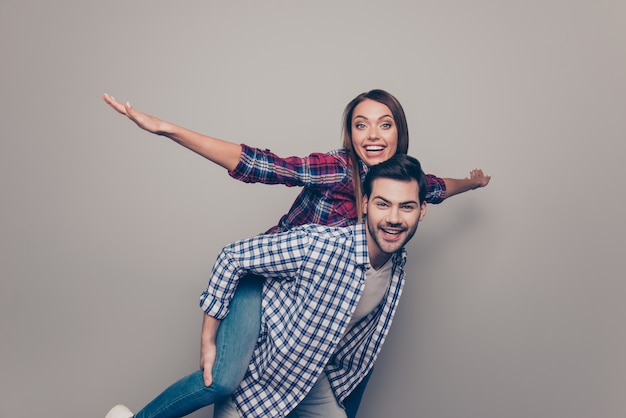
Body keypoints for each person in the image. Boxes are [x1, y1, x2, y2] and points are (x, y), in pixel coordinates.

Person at [102, 89, 491, 418]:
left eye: (384, 124)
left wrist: (471, 184)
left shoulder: (404, 185)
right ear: (350, 134)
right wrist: (167, 130)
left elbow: (438, 187)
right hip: (266, 276)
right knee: (223, 379)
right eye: (361, 125)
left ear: (398, 132)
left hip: (304, 300)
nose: (372, 135)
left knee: (347, 368)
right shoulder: (338, 170)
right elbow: (264, 166)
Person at [113, 153, 429, 418]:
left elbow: (358, 344)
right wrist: (208, 340)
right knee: (220, 383)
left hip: (310, 382)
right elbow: (232, 257)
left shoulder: (397, 266)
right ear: (364, 205)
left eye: (406, 207)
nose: (394, 218)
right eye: (383, 204)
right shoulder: (318, 244)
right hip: (259, 382)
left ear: (421, 211)